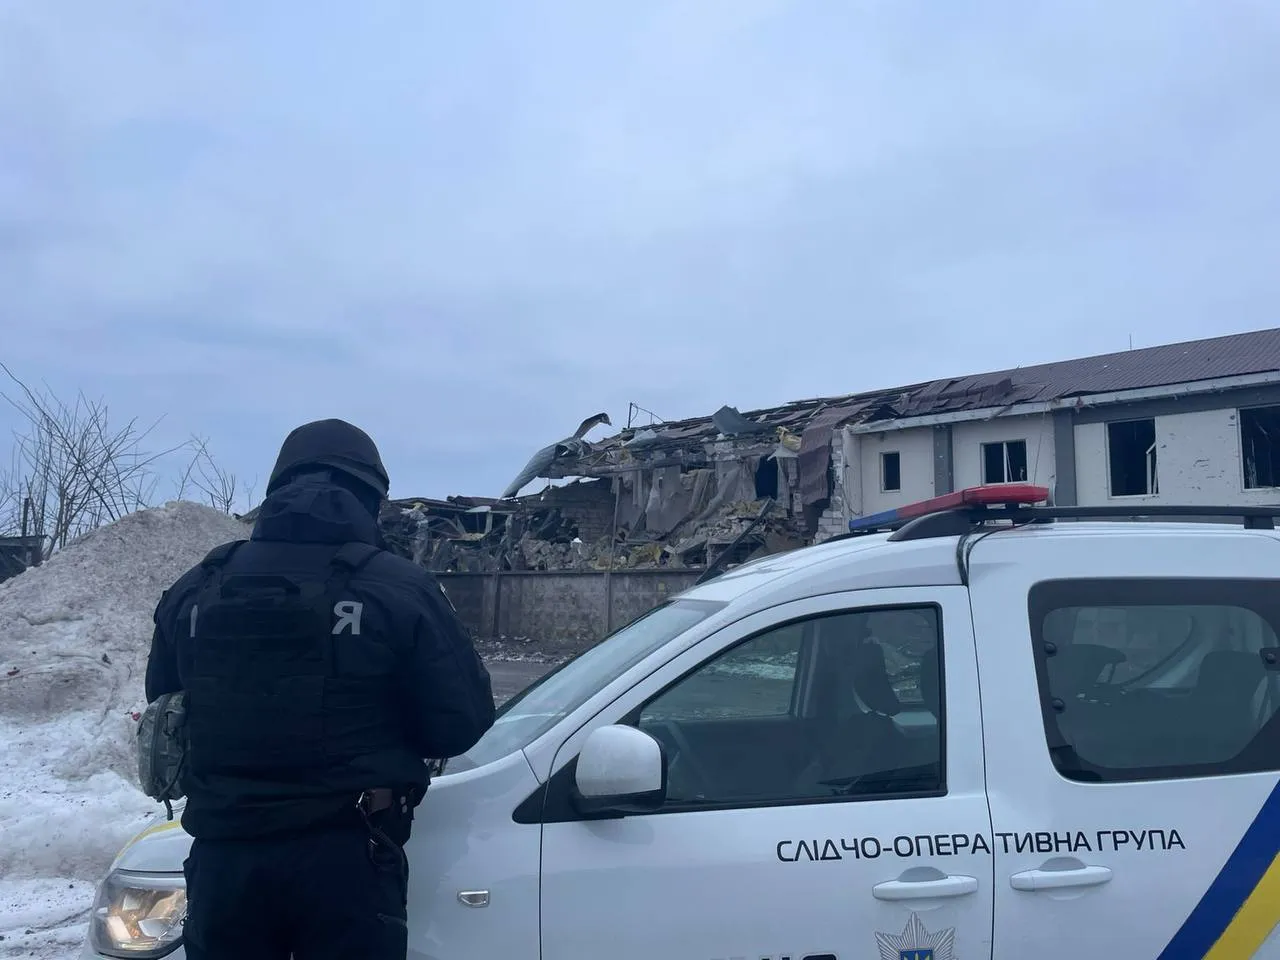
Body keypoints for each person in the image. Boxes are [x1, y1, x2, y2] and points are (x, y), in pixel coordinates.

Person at [144, 418, 495, 960]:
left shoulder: (197, 588)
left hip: (223, 861)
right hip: (349, 860)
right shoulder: (398, 587)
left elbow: (165, 709)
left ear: (277, 487)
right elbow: (459, 723)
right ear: (370, 497)